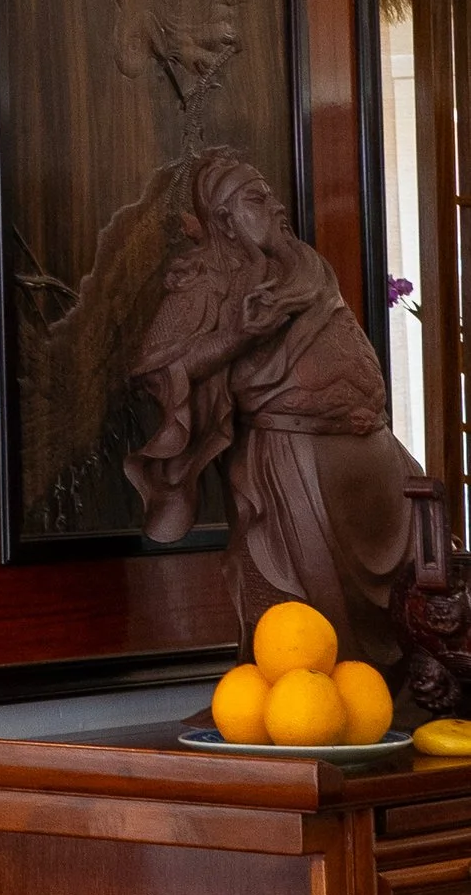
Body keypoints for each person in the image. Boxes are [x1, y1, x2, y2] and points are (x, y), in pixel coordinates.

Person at [123, 150, 420, 663]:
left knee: (411, 616)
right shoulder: (206, 280)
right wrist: (237, 337)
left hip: (377, 464)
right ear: (225, 221)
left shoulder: (305, 266)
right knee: (306, 637)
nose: (277, 207)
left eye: (272, 195)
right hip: (292, 471)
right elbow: (156, 366)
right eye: (257, 199)